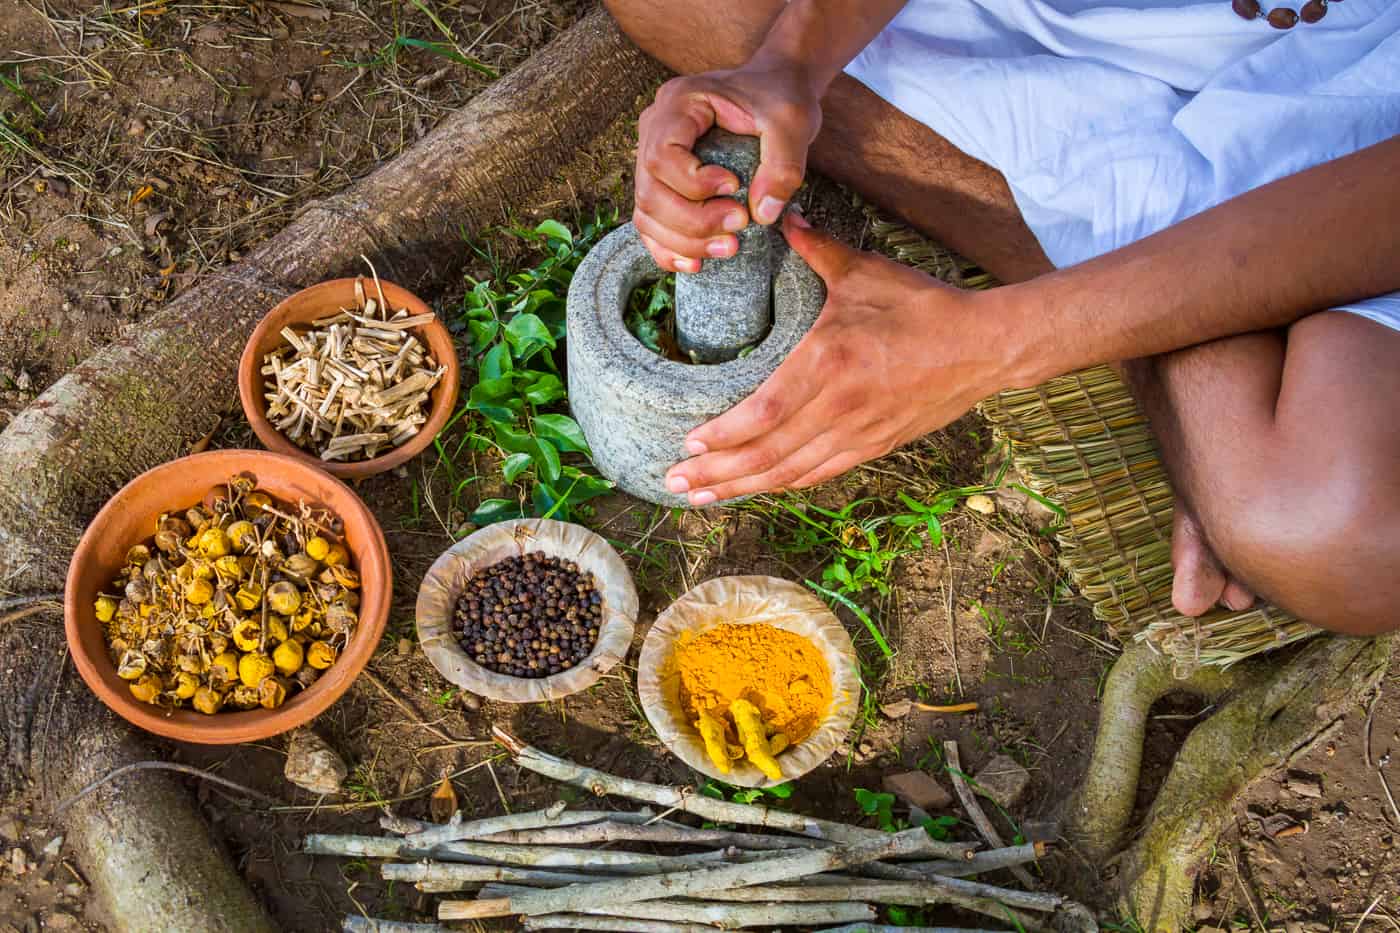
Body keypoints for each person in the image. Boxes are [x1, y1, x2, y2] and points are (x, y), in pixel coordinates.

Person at [603, 0, 1400, 636]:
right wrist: (791, 62)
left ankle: (1146, 318)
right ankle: (1156, 330)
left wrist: (994, 344)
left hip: (1356, 87)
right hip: (1070, 49)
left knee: (1334, 535)